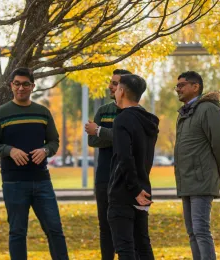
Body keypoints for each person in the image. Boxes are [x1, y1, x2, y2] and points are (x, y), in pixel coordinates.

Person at [0, 67, 69, 260]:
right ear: (10, 86)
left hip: (42, 181)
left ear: (32, 86)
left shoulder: (42, 112)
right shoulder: (0, 114)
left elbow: (54, 142)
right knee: (17, 233)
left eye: (25, 84)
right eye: (17, 83)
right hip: (14, 183)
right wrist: (9, 150)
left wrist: (45, 150)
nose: (20, 88)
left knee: (55, 229)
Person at [173, 71, 220, 260]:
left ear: (195, 87)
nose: (178, 89)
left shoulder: (208, 109)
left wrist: (219, 172)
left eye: (182, 85)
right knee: (192, 232)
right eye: (177, 86)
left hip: (200, 179)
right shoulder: (185, 112)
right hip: (187, 180)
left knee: (200, 230)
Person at [107, 74, 159, 260]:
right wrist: (140, 187)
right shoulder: (150, 121)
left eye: (117, 87)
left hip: (125, 191)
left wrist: (134, 189)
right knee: (143, 245)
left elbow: (124, 157)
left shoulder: (122, 120)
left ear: (121, 91)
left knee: (126, 248)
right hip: (143, 189)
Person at [85, 69, 131, 260]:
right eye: (110, 82)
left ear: (125, 87)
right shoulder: (103, 111)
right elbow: (92, 141)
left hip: (128, 178)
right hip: (104, 177)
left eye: (115, 83)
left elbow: (131, 141)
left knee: (127, 227)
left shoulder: (135, 112)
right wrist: (114, 136)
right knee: (105, 226)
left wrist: (101, 131)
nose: (110, 87)